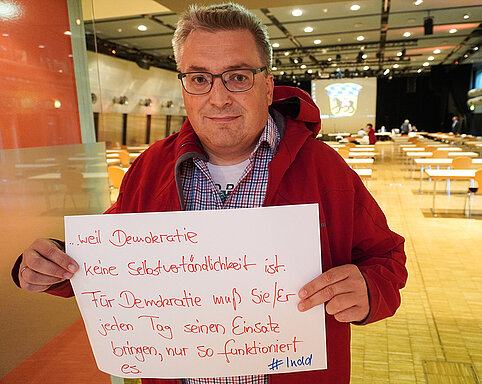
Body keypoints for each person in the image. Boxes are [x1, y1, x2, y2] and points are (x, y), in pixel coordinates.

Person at [12, 3, 407, 384]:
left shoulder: (325, 169)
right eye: (200, 78)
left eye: (238, 76)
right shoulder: (151, 168)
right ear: (184, 88)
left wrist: (370, 289)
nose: (218, 98)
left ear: (268, 87)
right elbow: (110, 262)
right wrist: (50, 266)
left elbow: (386, 258)